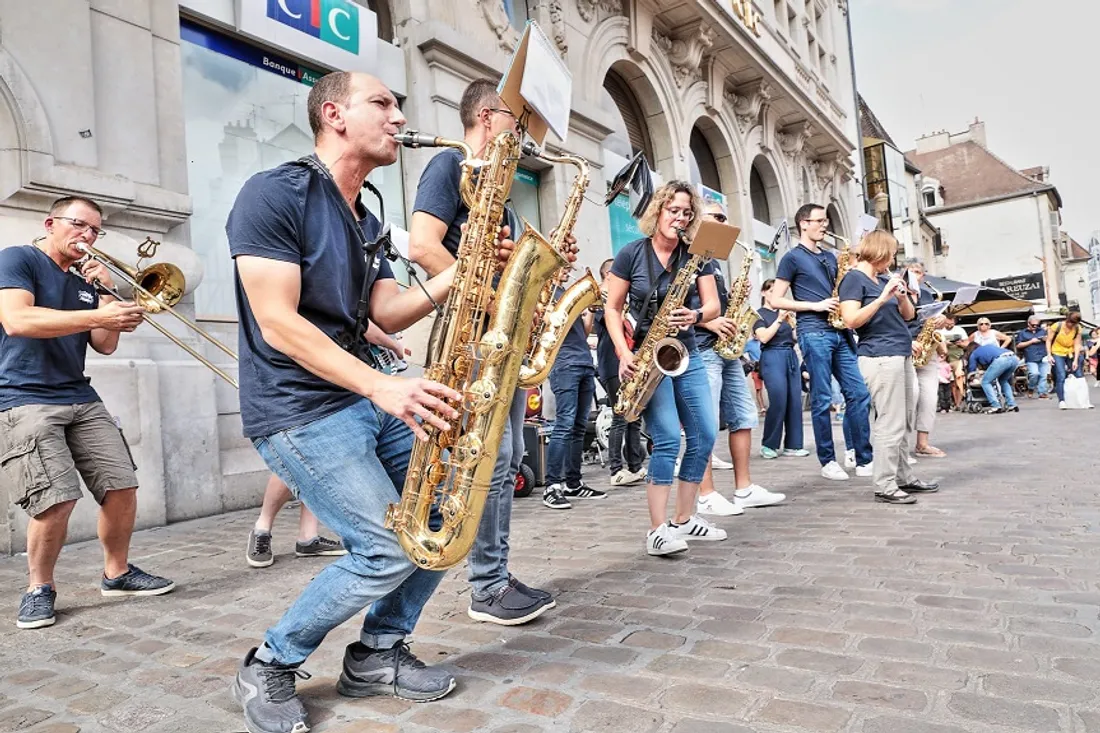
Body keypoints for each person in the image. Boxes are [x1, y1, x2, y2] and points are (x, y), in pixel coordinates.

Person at [225, 71, 532, 733]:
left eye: (399, 104)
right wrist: (381, 385)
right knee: (385, 548)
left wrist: (465, 266)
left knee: (453, 512)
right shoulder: (276, 193)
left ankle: (377, 652)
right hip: (298, 407)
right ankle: (270, 660)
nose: (399, 116)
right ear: (334, 114)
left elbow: (386, 308)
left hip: (362, 396)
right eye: (383, 103)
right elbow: (277, 320)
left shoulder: (365, 215)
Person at [408, 78, 554, 625]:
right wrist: (494, 296)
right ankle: (486, 586)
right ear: (489, 116)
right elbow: (423, 245)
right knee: (485, 459)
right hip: (469, 335)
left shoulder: (499, 187)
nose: (522, 136)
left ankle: (495, 573)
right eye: (517, 122)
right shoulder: (451, 165)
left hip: (498, 331)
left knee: (509, 455)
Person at [0, 196, 175, 631]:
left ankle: (116, 574)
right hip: (24, 395)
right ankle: (39, 587)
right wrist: (95, 313)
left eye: (95, 231)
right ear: (50, 223)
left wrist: (107, 298)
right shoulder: (19, 259)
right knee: (55, 499)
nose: (88, 236)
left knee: (122, 485)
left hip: (79, 394)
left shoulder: (84, 280)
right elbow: (17, 320)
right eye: (79, 225)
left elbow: (105, 344)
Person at [604, 181, 722, 556]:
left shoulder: (698, 253)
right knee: (668, 437)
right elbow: (612, 308)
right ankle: (657, 530)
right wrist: (623, 352)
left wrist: (697, 315)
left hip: (686, 351)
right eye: (674, 210)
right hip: (646, 354)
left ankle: (684, 519)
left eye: (687, 213)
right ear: (658, 211)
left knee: (704, 432)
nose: (680, 218)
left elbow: (714, 306)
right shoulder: (630, 254)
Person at [246, 323, 408, 567]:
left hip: (348, 381)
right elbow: (355, 321)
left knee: (327, 466)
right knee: (303, 461)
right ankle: (262, 527)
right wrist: (392, 342)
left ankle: (307, 536)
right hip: (306, 381)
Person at [692, 202, 785, 517]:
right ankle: (705, 494)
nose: (723, 222)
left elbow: (719, 306)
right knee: (703, 424)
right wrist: (707, 322)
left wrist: (734, 297)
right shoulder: (687, 258)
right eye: (716, 217)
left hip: (726, 349)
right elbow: (668, 306)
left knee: (744, 416)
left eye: (724, 217)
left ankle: (744, 489)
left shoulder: (713, 263)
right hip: (702, 348)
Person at [769, 204, 873, 481]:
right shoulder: (792, 258)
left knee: (859, 394)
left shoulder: (830, 255)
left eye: (825, 221)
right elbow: (775, 299)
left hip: (841, 331)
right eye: (819, 221)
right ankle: (828, 460)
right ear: (803, 223)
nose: (824, 225)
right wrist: (814, 305)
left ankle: (863, 457)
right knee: (823, 398)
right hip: (813, 330)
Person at [838, 231, 938, 504]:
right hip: (879, 356)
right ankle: (884, 484)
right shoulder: (853, 280)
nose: (893, 260)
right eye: (891, 253)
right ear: (880, 252)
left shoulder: (883, 278)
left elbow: (908, 316)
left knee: (904, 420)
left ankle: (903, 476)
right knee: (889, 422)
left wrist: (902, 297)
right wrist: (882, 298)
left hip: (902, 353)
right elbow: (851, 320)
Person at [541, 280, 606, 509]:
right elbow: (551, 325)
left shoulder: (566, 290)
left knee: (578, 427)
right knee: (564, 424)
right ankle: (552, 486)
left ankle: (573, 483)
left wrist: (587, 311)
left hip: (583, 361)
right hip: (564, 363)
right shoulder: (545, 291)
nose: (571, 263)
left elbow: (583, 331)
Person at [593, 259, 647, 486]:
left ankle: (635, 466)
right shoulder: (599, 301)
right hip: (611, 364)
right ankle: (616, 470)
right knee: (620, 415)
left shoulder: (619, 300)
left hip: (627, 362)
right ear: (608, 275)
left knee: (633, 415)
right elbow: (606, 320)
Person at [754, 278, 806, 459]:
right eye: (770, 291)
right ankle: (769, 443)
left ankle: (793, 444)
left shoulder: (785, 315)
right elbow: (763, 337)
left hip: (789, 355)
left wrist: (793, 324)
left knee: (794, 400)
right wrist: (778, 320)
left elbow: (794, 338)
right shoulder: (758, 315)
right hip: (772, 355)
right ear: (763, 293)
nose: (774, 295)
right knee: (778, 399)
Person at [904, 259, 947, 459]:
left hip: (927, 348)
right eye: (911, 271)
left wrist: (942, 320)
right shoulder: (897, 293)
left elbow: (939, 320)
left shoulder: (928, 295)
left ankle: (923, 443)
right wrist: (907, 341)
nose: (915, 275)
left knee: (930, 397)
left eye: (919, 272)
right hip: (907, 346)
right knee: (909, 396)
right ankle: (901, 445)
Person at [965, 342, 1020, 413]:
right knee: (1003, 380)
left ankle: (995, 405)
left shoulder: (974, 353)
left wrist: (971, 378)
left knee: (985, 382)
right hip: (1013, 357)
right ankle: (1012, 404)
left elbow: (972, 369)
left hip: (1001, 360)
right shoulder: (988, 346)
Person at [1045, 310, 1085, 409]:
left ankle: (1082, 400)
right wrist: (1049, 355)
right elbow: (1048, 340)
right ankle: (1062, 400)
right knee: (1061, 375)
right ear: (1067, 320)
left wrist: (1075, 360)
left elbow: (1077, 344)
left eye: (1074, 323)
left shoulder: (1077, 328)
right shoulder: (1056, 326)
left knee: (1078, 374)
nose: (1071, 325)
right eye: (1070, 322)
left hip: (1070, 352)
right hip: (1057, 352)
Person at [1015, 316, 1050, 399]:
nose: (1035, 327)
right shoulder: (1022, 333)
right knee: (1034, 374)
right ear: (1028, 323)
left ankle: (1042, 393)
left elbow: (1049, 340)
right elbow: (1018, 345)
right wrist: (1031, 341)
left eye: (1037, 325)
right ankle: (1031, 388)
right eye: (1033, 325)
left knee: (1043, 376)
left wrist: (1046, 339)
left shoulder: (1042, 331)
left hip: (1043, 355)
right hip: (1031, 357)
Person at [939, 314, 969, 410]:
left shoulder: (960, 330)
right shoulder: (939, 331)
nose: (949, 325)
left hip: (957, 358)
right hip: (943, 359)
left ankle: (958, 403)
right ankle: (948, 403)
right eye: (947, 323)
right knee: (947, 383)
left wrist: (960, 344)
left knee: (959, 380)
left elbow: (967, 344)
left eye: (951, 323)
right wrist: (944, 343)